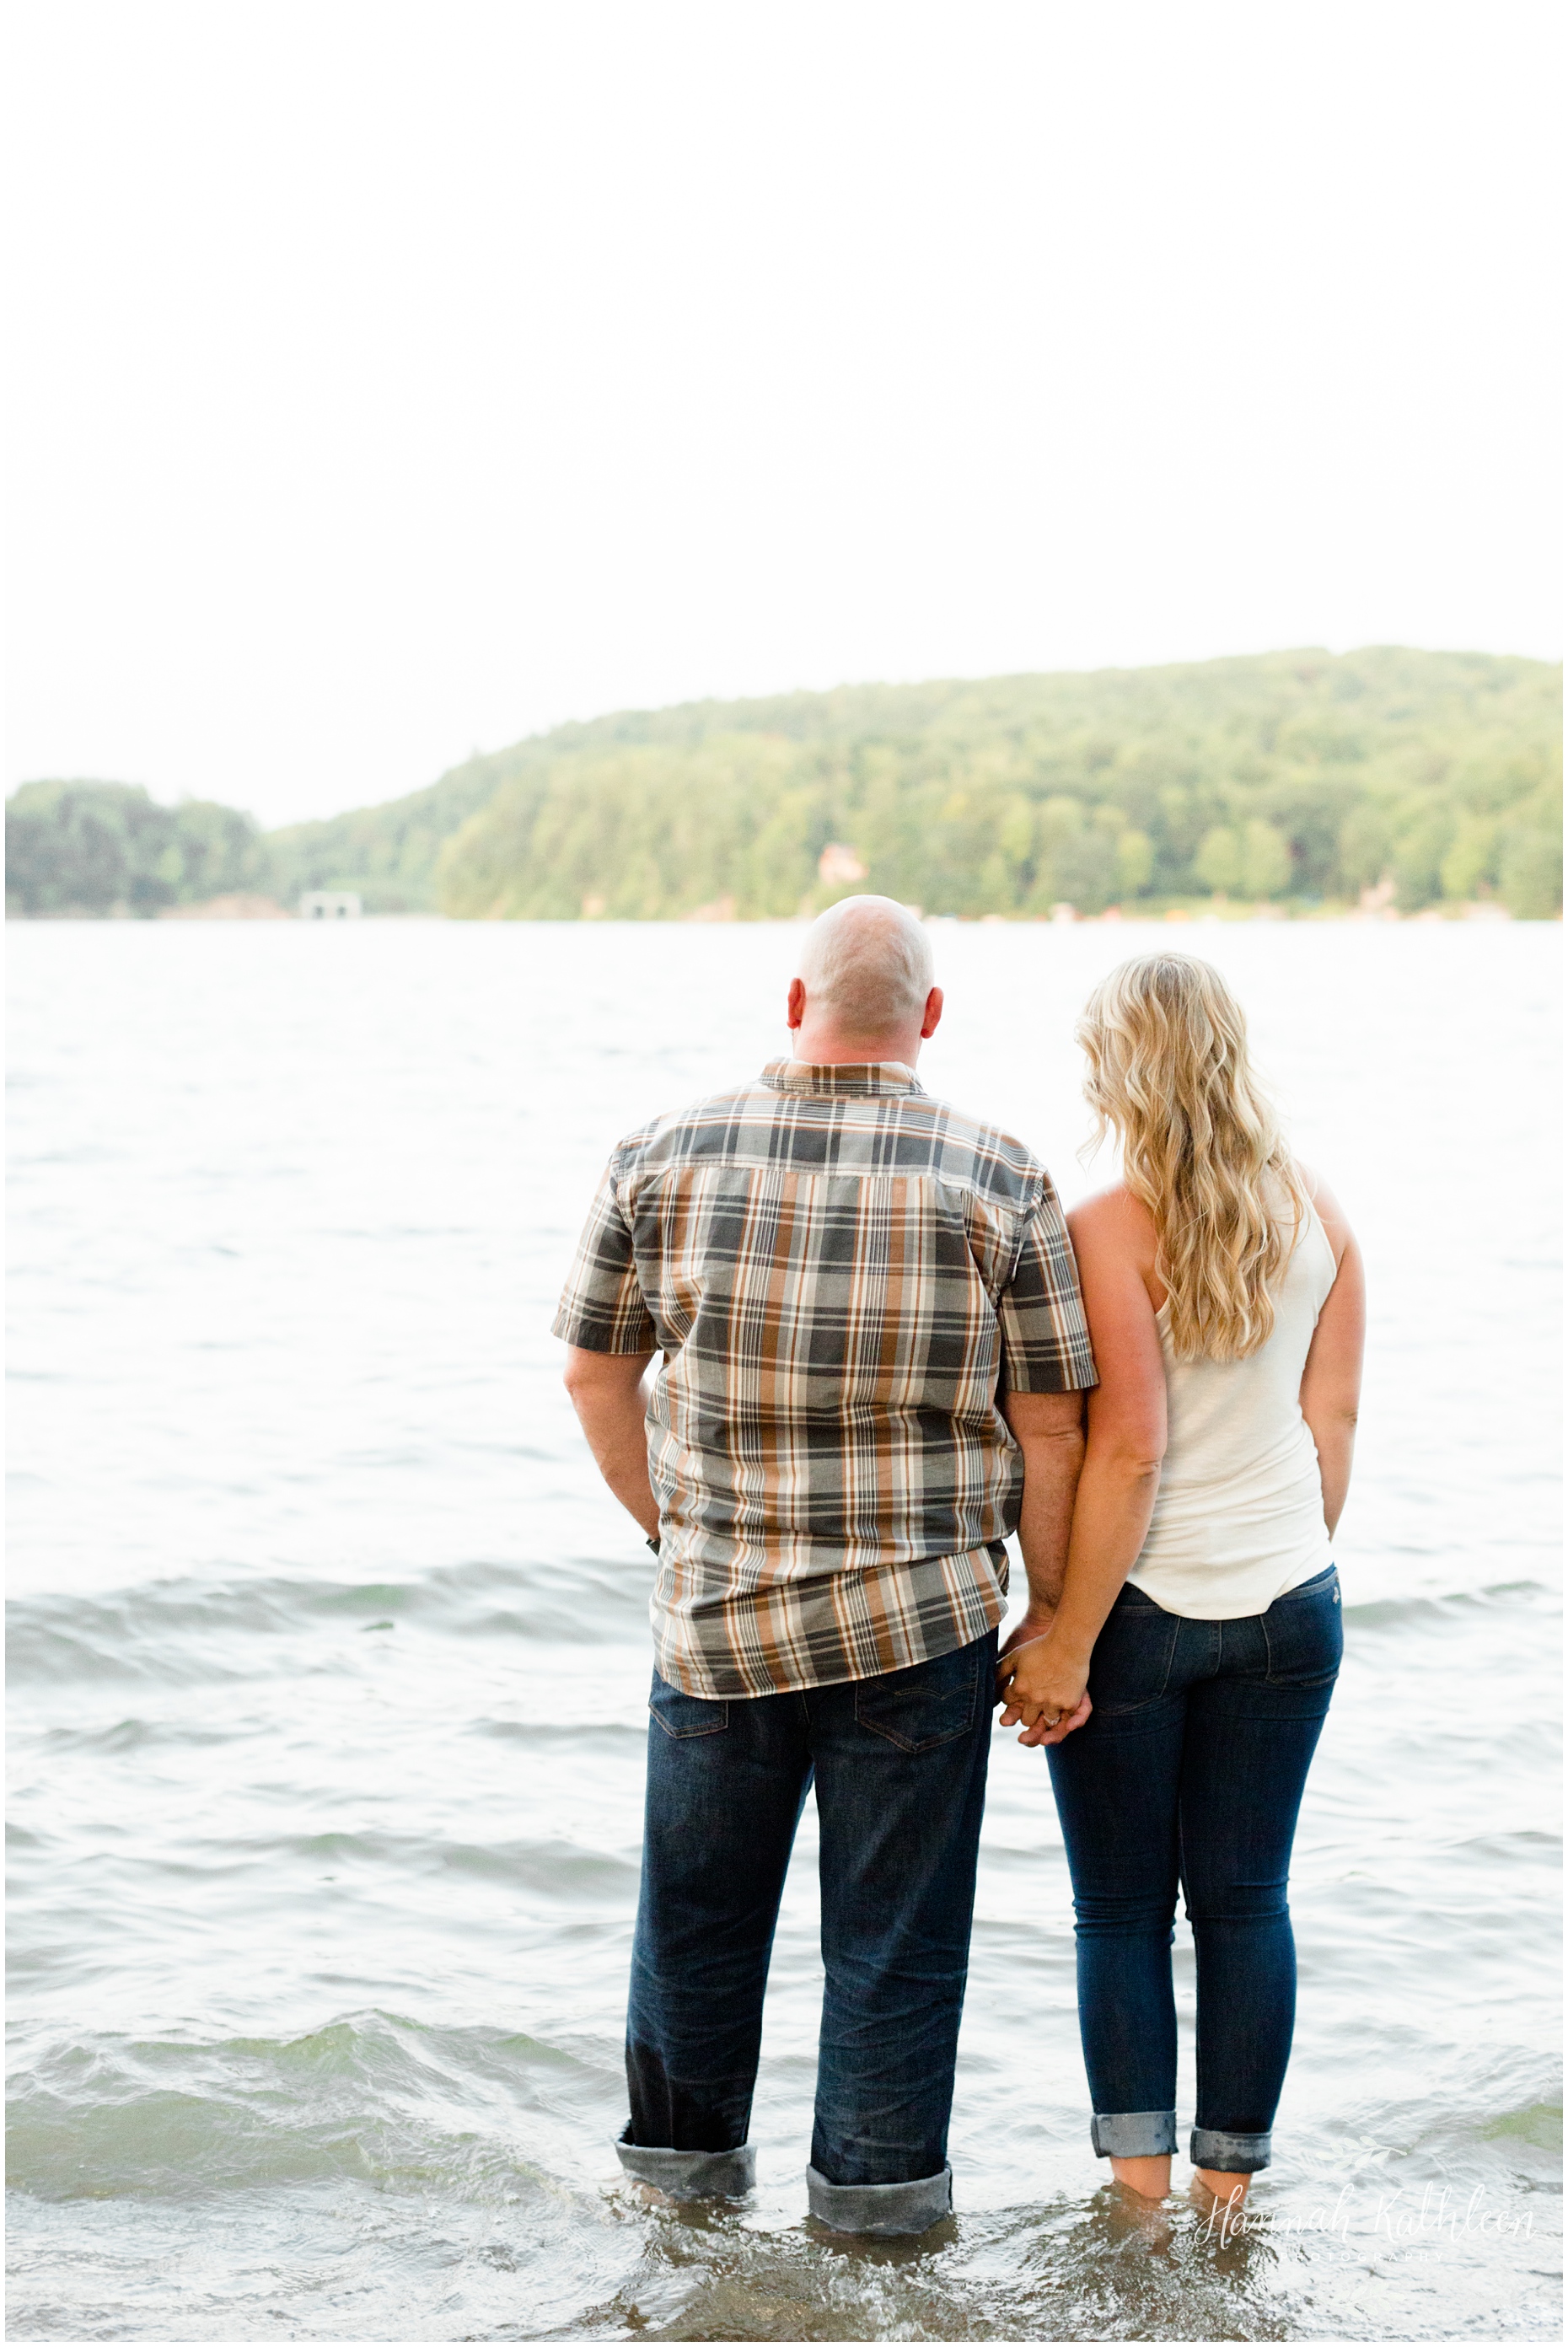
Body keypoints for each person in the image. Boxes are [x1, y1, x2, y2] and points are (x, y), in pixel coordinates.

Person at [554, 896, 1098, 2236]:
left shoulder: (658, 1154)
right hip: (921, 1631)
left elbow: (592, 1371)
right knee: (896, 1953)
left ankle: (678, 2217)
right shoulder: (1000, 1175)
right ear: (929, 1017)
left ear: (793, 1006)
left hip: (719, 1625)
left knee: (694, 1930)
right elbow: (1053, 1422)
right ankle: (879, 2231)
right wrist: (1050, 1610)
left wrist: (664, 1529)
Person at [998, 952, 1364, 2213]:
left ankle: (1141, 2206)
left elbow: (1130, 1447)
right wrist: (1282, 1562)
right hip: (1291, 1607)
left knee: (1119, 1914)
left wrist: (1062, 1640)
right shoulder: (1316, 1209)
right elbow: (1335, 1423)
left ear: (1120, 1065)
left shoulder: (1102, 1224)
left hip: (1137, 1615)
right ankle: (1230, 2201)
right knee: (1246, 1905)